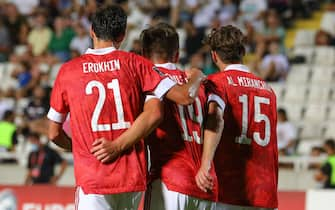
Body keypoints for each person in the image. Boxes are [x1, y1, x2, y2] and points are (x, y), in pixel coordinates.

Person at [47, 5, 204, 210]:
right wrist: (119, 146)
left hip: (93, 178)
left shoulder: (68, 71)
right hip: (130, 176)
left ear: (92, 32)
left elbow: (53, 133)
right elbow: (162, 109)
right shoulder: (137, 64)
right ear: (122, 36)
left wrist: (82, 149)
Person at [195, 25, 278, 210]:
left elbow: (215, 118)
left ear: (214, 55)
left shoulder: (217, 83)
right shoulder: (268, 90)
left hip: (230, 188)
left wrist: (205, 163)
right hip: (265, 191)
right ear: (243, 52)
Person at [139, 23, 217, 210]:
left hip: (169, 181)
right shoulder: (199, 84)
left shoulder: (150, 80)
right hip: (205, 186)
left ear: (143, 54)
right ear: (177, 54)